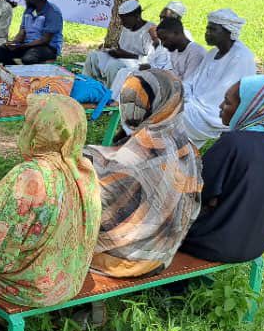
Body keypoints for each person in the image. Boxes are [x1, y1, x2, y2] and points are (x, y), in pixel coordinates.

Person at [0, 94, 101, 307]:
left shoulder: (30, 177)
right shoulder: (84, 170)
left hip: (29, 289)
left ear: (38, 129)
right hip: (68, 281)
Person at [83, 70, 202, 278]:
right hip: (161, 255)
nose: (130, 110)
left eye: (135, 103)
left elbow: (99, 206)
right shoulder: (189, 149)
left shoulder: (134, 155)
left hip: (120, 261)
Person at [180, 75, 264, 263]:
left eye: (227, 102)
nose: (220, 107)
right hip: (256, 246)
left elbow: (195, 193)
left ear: (250, 109)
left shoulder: (231, 143)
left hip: (207, 244)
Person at [182, 9, 257, 147]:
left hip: (213, 115)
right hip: (193, 104)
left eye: (213, 29)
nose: (207, 33)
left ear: (228, 32)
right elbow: (192, 80)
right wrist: (184, 95)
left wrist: (189, 103)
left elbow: (221, 97)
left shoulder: (241, 57)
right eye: (207, 28)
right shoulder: (212, 53)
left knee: (168, 118)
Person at [83, 0, 157, 95]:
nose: (122, 23)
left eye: (124, 19)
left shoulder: (150, 30)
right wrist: (110, 50)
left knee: (114, 66)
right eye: (121, 19)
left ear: (137, 16)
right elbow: (122, 48)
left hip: (138, 63)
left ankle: (110, 96)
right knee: (93, 56)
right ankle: (87, 88)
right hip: (123, 59)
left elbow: (151, 60)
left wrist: (125, 55)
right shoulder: (127, 27)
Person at [0, 0, 63, 66]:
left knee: (28, 59)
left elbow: (45, 40)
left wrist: (23, 46)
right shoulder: (29, 10)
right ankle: (15, 69)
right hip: (28, 46)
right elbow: (22, 32)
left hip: (48, 47)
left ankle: (22, 69)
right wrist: (14, 43)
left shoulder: (53, 12)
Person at [147, 17, 205, 81]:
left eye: (165, 39)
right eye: (161, 40)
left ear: (176, 33)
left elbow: (189, 83)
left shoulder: (196, 53)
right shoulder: (174, 51)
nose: (163, 44)